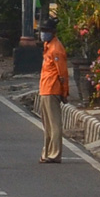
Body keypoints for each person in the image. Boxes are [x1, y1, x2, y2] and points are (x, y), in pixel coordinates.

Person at [38, 18, 68, 164]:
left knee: (54, 124)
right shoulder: (47, 46)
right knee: (47, 125)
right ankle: (47, 153)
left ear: (53, 32)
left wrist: (64, 92)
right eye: (42, 31)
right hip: (45, 89)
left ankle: (54, 154)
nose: (43, 34)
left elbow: (62, 74)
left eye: (46, 31)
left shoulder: (56, 49)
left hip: (52, 89)